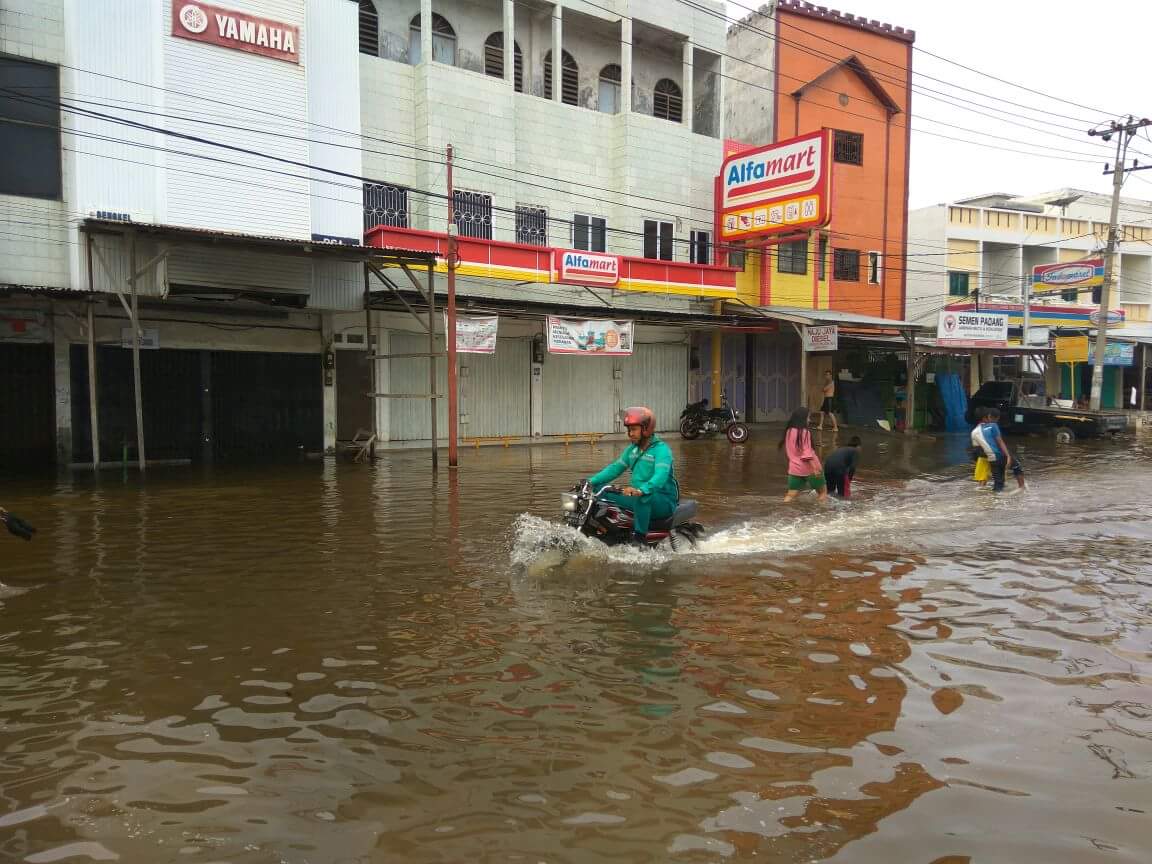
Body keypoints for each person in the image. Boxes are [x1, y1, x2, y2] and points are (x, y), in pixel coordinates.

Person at [587, 406, 679, 547]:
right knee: (599, 490)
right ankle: (606, 531)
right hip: (637, 495)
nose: (630, 434)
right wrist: (589, 482)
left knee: (644, 497)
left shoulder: (661, 450)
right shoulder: (632, 450)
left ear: (646, 429)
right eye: (629, 430)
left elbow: (660, 475)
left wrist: (642, 490)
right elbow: (614, 469)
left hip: (662, 500)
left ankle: (640, 538)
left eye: (634, 429)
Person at [780, 407, 827, 502]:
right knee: (822, 493)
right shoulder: (805, 432)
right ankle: (820, 511)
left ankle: (783, 509)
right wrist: (815, 468)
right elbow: (807, 452)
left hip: (794, 469)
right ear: (802, 418)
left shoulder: (789, 431)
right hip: (811, 468)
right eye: (808, 417)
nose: (809, 420)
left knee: (790, 495)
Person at [970, 407, 1014, 492]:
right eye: (988, 416)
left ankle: (981, 494)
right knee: (1000, 477)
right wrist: (1007, 455)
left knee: (982, 480)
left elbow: (976, 447)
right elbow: (998, 442)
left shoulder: (976, 430)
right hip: (992, 455)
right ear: (986, 417)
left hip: (982, 456)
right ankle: (998, 492)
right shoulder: (991, 427)